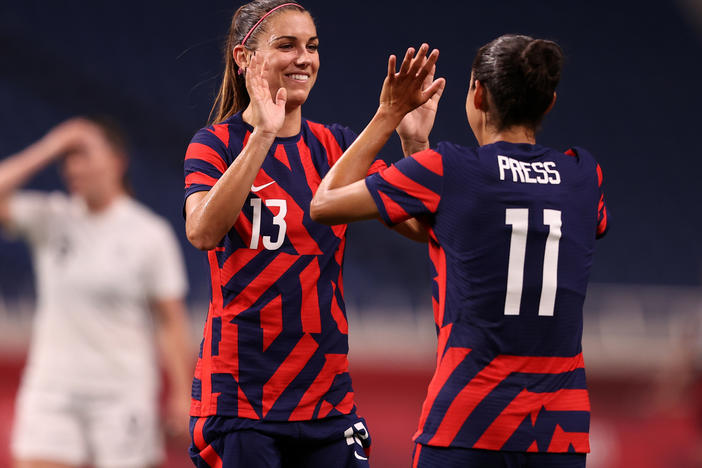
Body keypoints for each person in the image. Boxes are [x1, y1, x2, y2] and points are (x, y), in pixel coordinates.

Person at [311, 36, 609, 468]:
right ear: (548, 103)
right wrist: (416, 147)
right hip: (559, 434)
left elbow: (324, 203)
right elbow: (467, 229)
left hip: (467, 422)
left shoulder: (450, 168)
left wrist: (390, 114)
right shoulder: (583, 174)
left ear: (478, 94)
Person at [182, 1, 430, 466]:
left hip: (327, 399)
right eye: (287, 45)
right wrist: (263, 135)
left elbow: (421, 228)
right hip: (242, 399)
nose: (304, 58)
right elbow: (202, 231)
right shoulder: (214, 144)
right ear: (244, 58)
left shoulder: (335, 145)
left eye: (312, 47)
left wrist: (414, 144)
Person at [0, 117, 193, 468]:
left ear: (117, 161)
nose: (73, 167)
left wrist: (183, 394)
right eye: (67, 158)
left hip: (121, 393)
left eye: (83, 154)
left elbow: (170, 322)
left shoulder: (149, 234)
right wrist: (50, 146)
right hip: (52, 389)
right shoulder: (51, 217)